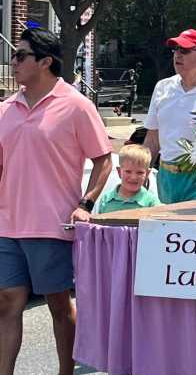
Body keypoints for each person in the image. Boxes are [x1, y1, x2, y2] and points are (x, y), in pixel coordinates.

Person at [0, 28, 112, 375]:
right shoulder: (5, 108)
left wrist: (86, 203)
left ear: (45, 61)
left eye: (20, 56)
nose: (13, 62)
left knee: (59, 307)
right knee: (7, 304)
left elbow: (104, 159)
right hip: (6, 223)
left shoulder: (77, 105)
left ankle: (66, 372)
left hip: (52, 223)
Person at [143, 29, 196, 204]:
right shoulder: (162, 87)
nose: (177, 55)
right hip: (166, 178)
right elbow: (152, 140)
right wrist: (140, 173)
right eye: (175, 50)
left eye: (185, 51)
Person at [97, 144, 160, 214]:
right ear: (119, 171)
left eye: (140, 172)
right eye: (128, 171)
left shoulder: (151, 203)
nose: (133, 177)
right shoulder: (106, 200)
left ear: (147, 174)